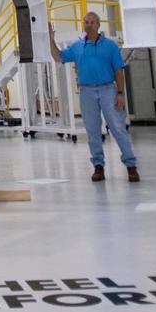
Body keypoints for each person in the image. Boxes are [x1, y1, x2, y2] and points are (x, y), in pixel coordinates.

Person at [50, 11, 139, 183]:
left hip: (108, 90)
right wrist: (50, 39)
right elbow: (58, 57)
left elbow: (119, 70)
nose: (88, 25)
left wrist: (120, 93)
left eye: (92, 22)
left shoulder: (110, 46)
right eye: (86, 22)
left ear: (98, 25)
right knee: (92, 131)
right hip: (86, 92)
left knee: (118, 128)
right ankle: (98, 166)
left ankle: (131, 165)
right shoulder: (77, 47)